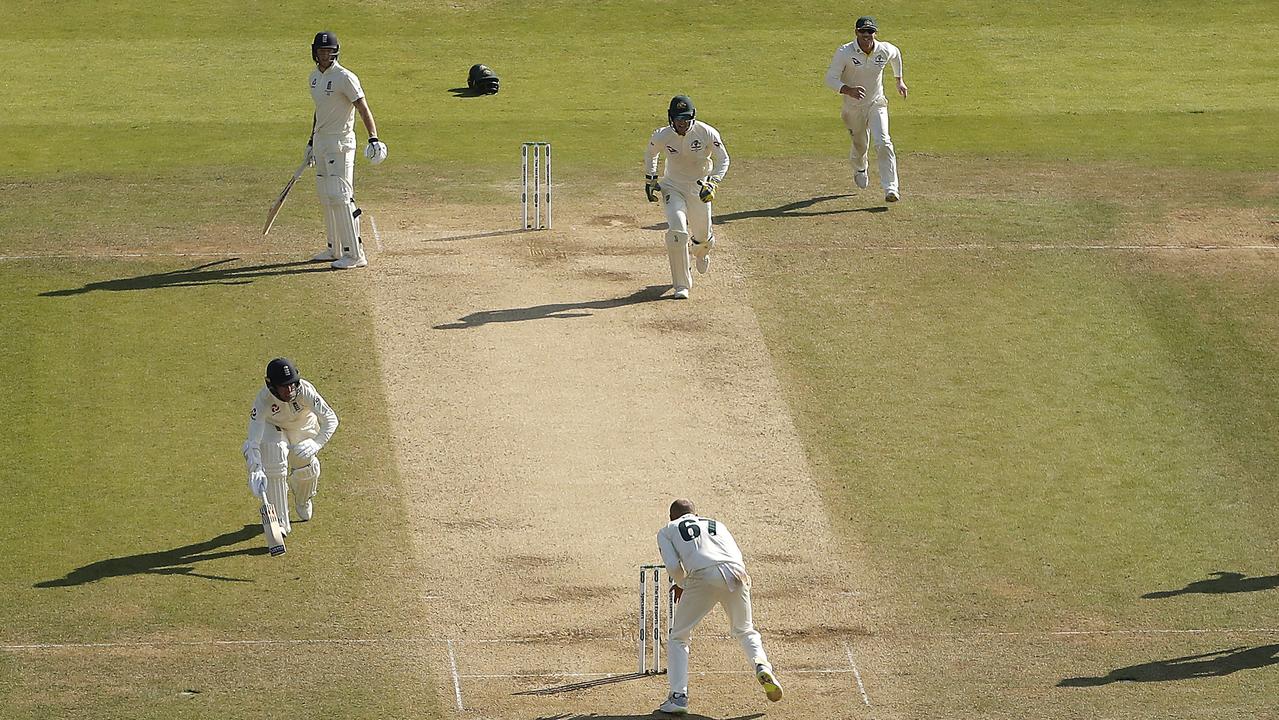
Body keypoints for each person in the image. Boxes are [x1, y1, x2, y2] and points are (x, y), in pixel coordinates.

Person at [655, 499, 783, 715]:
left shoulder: (667, 530)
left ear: (671, 516)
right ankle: (762, 666)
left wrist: (682, 584)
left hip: (703, 575)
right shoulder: (717, 524)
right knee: (745, 630)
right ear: (696, 514)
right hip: (737, 572)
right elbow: (735, 554)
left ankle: (678, 697)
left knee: (679, 636)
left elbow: (674, 567)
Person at [304, 30, 388, 270]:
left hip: (340, 143)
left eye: (328, 51)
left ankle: (355, 254)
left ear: (335, 52)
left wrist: (373, 137)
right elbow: (320, 110)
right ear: (314, 52)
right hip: (321, 142)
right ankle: (334, 249)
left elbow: (362, 107)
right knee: (326, 195)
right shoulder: (313, 77)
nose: (324, 55)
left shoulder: (345, 77)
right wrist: (311, 142)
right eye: (320, 51)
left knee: (341, 196)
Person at [643, 95, 730, 300]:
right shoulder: (662, 135)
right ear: (670, 119)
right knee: (677, 230)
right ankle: (681, 284)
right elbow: (651, 153)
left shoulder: (706, 132)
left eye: (685, 118)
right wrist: (650, 179)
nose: (682, 123)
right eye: (677, 119)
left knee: (701, 234)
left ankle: (702, 250)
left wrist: (713, 182)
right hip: (672, 186)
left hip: (699, 187)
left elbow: (723, 159)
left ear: (692, 117)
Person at [242, 358, 339, 536]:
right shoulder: (263, 400)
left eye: (292, 384)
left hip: (303, 428)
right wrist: (256, 468)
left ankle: (303, 500)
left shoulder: (305, 391)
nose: (290, 390)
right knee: (274, 453)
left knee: (305, 467)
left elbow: (331, 419)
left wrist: (316, 443)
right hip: (274, 428)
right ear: (272, 386)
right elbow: (253, 440)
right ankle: (279, 522)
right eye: (284, 386)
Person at [824, 16, 907, 202]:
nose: (867, 36)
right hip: (852, 108)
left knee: (884, 141)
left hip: (876, 103)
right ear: (856, 32)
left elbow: (896, 54)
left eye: (870, 32)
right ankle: (860, 167)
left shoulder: (883, 49)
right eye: (863, 32)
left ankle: (891, 188)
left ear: (875, 33)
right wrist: (848, 90)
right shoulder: (845, 52)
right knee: (860, 145)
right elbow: (830, 79)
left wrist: (899, 80)